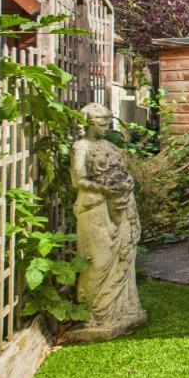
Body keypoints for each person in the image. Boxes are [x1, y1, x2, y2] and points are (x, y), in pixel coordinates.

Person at [68, 102, 146, 340]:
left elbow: (121, 172)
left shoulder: (110, 145)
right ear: (89, 124)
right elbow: (77, 180)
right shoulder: (80, 147)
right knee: (99, 260)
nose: (106, 127)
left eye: (107, 123)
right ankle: (93, 311)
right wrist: (105, 188)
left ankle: (124, 307)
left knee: (124, 253)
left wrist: (124, 186)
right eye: (102, 123)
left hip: (121, 204)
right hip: (95, 207)